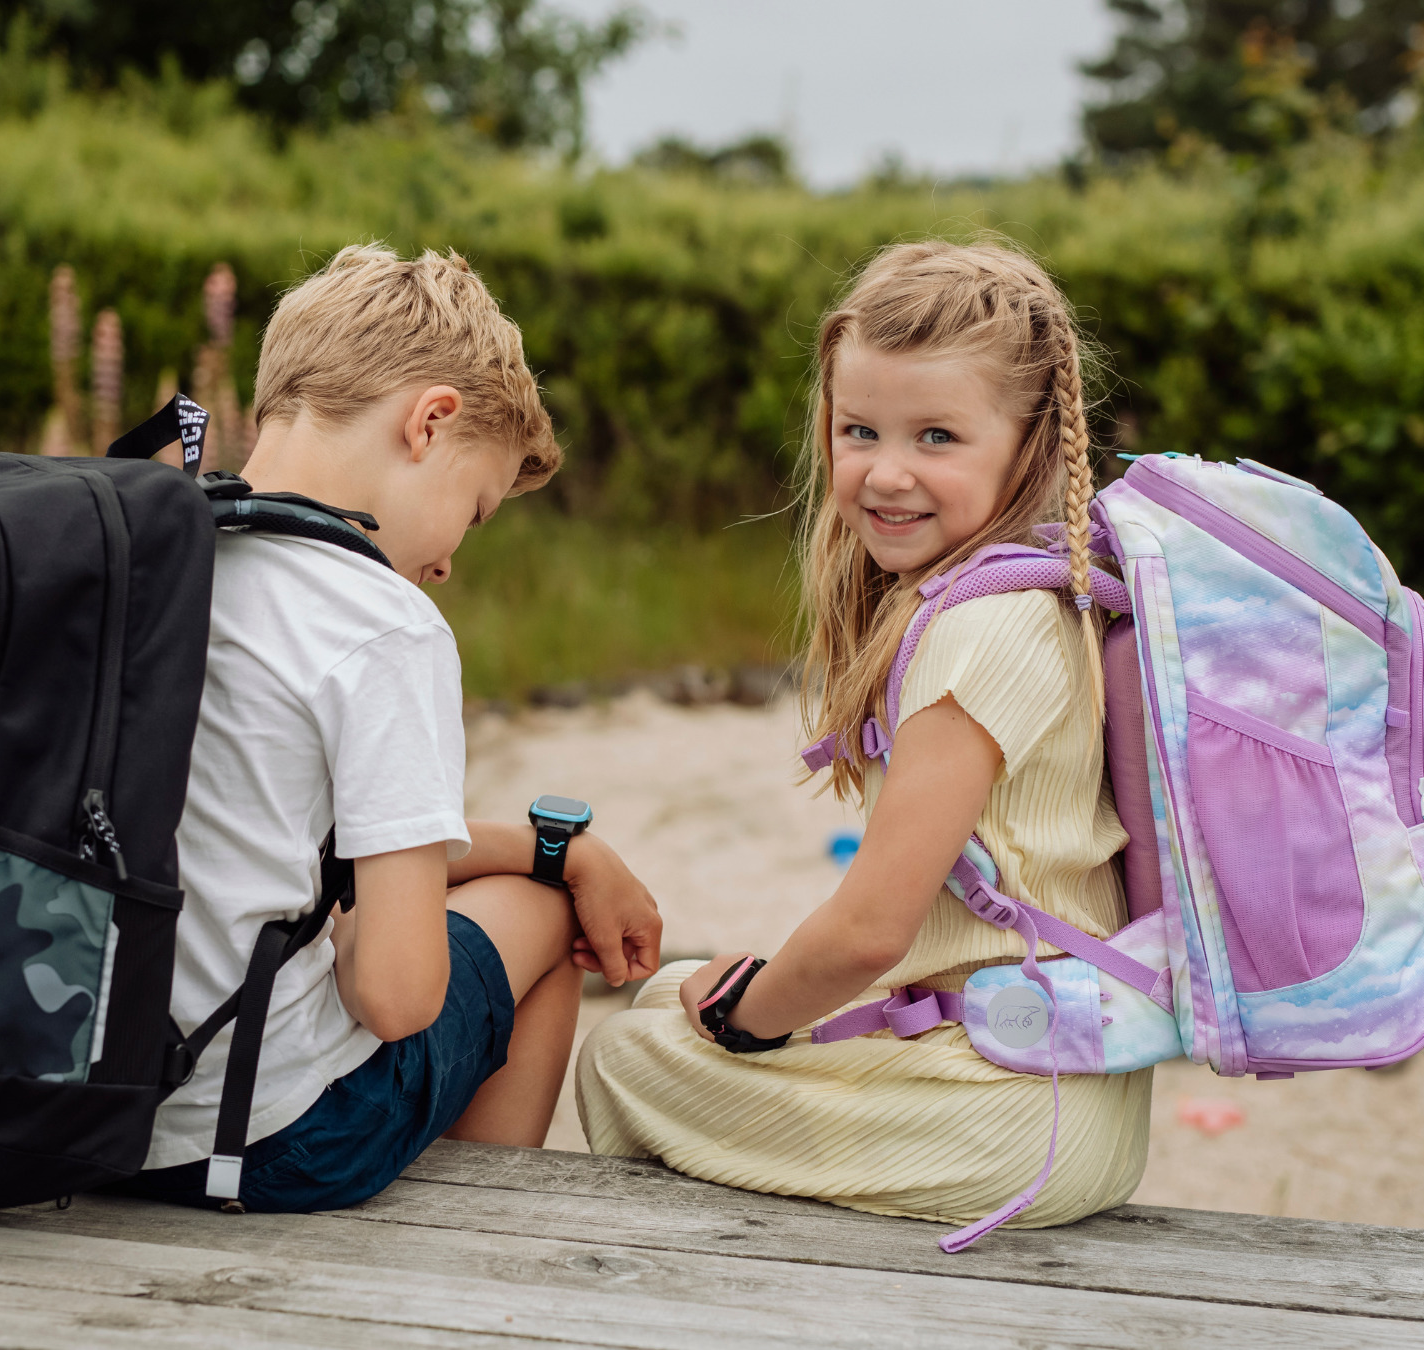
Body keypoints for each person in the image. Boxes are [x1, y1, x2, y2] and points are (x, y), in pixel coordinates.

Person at [575, 239, 1150, 1231]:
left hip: (1008, 1123)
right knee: (670, 992)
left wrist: (741, 1021)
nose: (886, 473)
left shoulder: (978, 633)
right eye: (860, 430)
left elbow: (869, 934)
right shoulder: (1048, 591)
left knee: (629, 1057)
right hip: (1062, 1084)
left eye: (936, 437)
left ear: (1034, 441)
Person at [118, 244, 663, 1214]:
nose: (450, 561)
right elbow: (398, 999)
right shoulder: (383, 623)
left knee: (532, 881)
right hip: (266, 1142)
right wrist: (369, 929)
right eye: (476, 508)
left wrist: (557, 848)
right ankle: (466, 1248)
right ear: (430, 422)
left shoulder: (148, 562)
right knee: (538, 916)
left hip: (74, 1112)